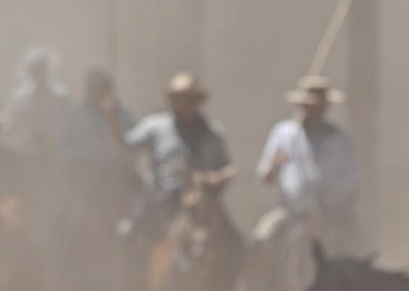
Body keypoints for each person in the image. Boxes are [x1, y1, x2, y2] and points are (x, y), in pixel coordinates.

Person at [115, 72, 232, 249]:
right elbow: (127, 145)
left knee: (236, 244)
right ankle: (130, 274)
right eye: (180, 98)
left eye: (189, 99)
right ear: (172, 101)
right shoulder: (154, 126)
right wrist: (112, 117)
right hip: (162, 198)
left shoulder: (212, 132)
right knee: (127, 235)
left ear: (198, 102)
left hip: (202, 201)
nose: (185, 104)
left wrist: (214, 179)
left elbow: (226, 167)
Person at [255, 75, 363, 254]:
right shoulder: (283, 134)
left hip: (332, 215)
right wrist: (275, 165)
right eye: (308, 106)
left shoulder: (342, 139)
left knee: (357, 249)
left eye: (317, 106)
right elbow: (265, 176)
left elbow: (351, 180)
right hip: (290, 214)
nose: (312, 110)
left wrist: (328, 201)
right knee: (261, 240)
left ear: (326, 107)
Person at [3, 47, 71, 159]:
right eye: (35, 70)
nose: (38, 74)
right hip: (27, 155)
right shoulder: (20, 97)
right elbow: (11, 128)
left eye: (41, 69)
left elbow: (69, 128)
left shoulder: (61, 97)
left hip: (55, 155)